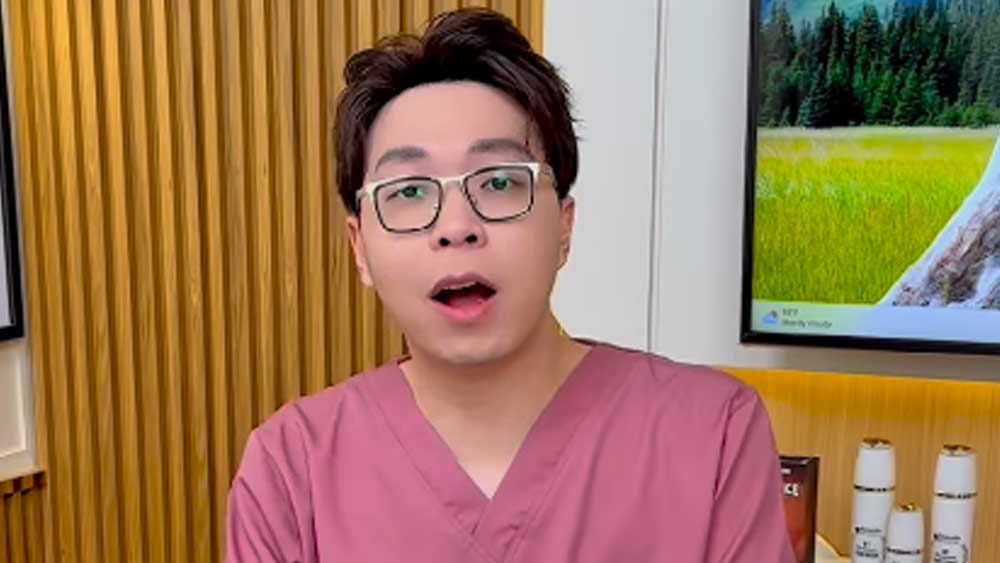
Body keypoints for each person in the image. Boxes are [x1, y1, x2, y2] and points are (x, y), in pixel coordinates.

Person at [226, 8, 795, 562]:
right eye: (408, 192)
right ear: (360, 248)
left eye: (499, 182)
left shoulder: (713, 434)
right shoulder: (291, 469)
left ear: (564, 227)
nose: (456, 227)